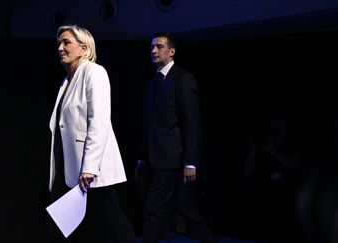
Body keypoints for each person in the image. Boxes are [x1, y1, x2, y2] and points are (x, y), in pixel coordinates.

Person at [47, 25, 137, 243]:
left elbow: (99, 120)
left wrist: (89, 166)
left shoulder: (94, 72)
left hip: (92, 169)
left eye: (66, 42)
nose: (60, 47)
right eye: (59, 43)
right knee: (88, 225)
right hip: (72, 168)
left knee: (112, 219)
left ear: (83, 47)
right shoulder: (67, 81)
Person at [134, 32, 214, 243]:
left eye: (159, 47)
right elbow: (148, 123)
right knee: (182, 206)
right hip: (154, 157)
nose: (153, 51)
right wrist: (142, 158)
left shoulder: (182, 78)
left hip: (173, 158)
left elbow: (192, 124)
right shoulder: (152, 82)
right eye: (152, 47)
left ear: (172, 51)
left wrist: (191, 162)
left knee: (153, 207)